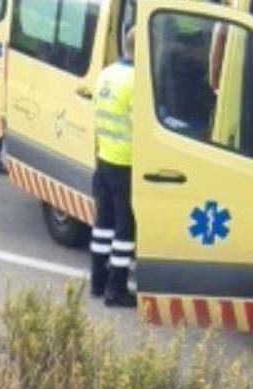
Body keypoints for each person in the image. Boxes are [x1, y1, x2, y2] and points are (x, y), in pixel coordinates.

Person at [91, 28, 138, 308]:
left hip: (105, 158)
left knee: (102, 225)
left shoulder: (106, 74)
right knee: (124, 230)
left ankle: (97, 283)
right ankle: (116, 290)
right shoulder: (135, 82)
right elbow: (142, 123)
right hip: (126, 162)